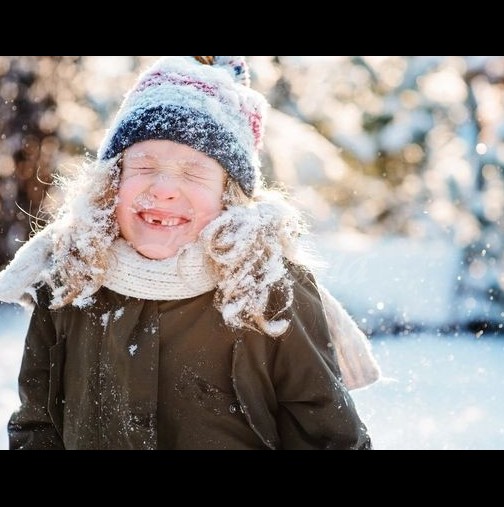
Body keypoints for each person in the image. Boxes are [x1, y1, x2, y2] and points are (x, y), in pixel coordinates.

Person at [0, 56, 379, 450]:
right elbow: (37, 425)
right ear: (113, 182)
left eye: (194, 171)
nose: (163, 188)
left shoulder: (265, 287)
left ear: (229, 196)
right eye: (144, 166)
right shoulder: (70, 279)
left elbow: (326, 436)